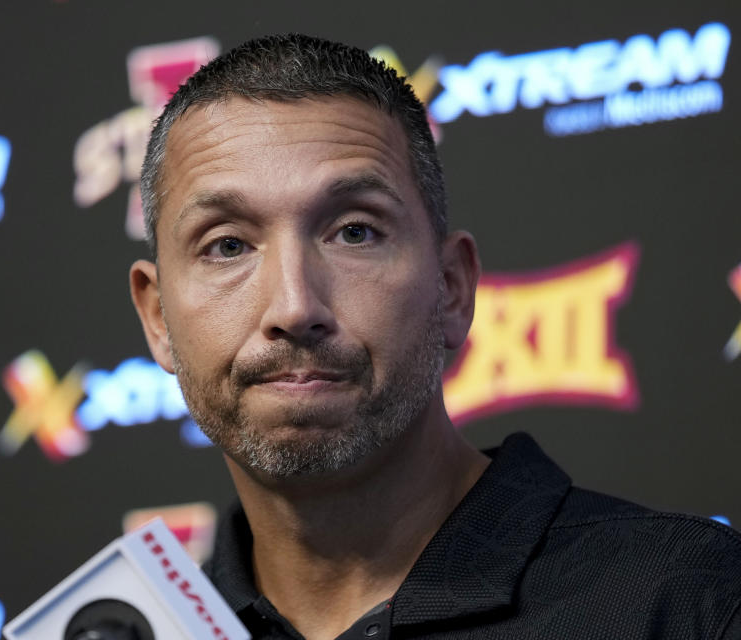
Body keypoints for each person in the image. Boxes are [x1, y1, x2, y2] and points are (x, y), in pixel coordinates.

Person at [128, 34, 741, 640]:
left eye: (354, 233)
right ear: (158, 319)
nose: (294, 307)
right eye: (227, 245)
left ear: (451, 287)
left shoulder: (691, 600)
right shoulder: (151, 631)